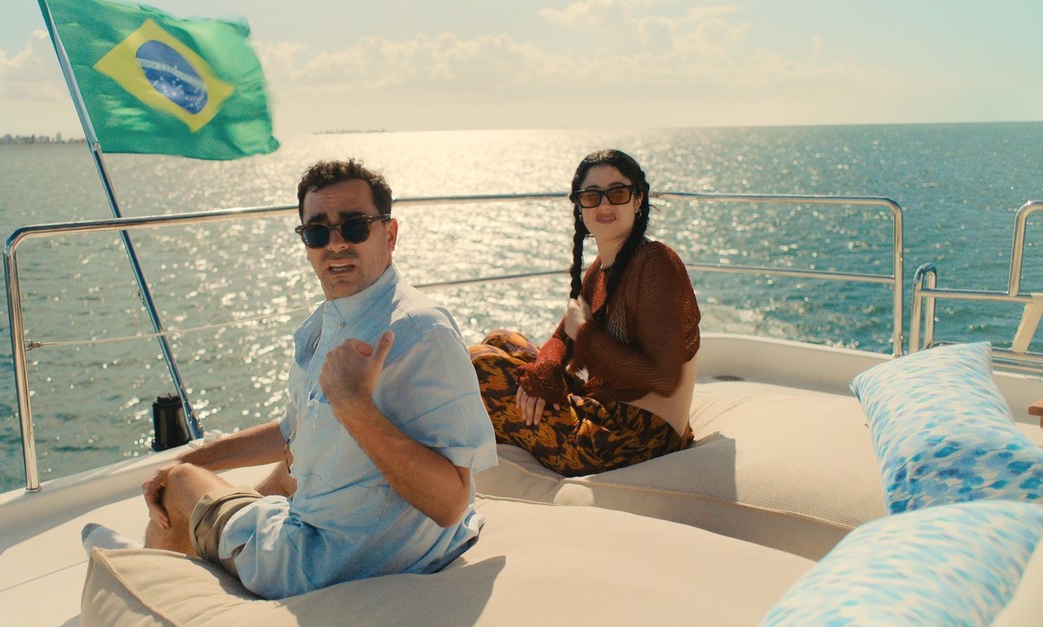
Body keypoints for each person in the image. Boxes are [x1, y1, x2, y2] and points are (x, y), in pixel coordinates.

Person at [93, 159, 498, 600]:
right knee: (282, 470)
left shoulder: (421, 331)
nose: (335, 244)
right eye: (318, 232)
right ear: (306, 244)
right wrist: (197, 456)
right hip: (378, 543)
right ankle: (196, 543)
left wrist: (353, 407)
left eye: (354, 226)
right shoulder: (335, 321)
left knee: (181, 486)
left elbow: (452, 504)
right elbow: (293, 430)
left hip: (325, 564)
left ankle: (144, 576)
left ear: (390, 234)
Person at [469, 149, 700, 476]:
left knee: (480, 366)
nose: (604, 206)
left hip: (639, 438)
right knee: (500, 340)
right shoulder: (601, 269)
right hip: (605, 412)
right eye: (592, 196)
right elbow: (561, 337)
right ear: (580, 207)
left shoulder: (655, 264)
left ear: (638, 200)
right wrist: (545, 374)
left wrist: (587, 335)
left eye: (617, 193)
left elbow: (660, 376)